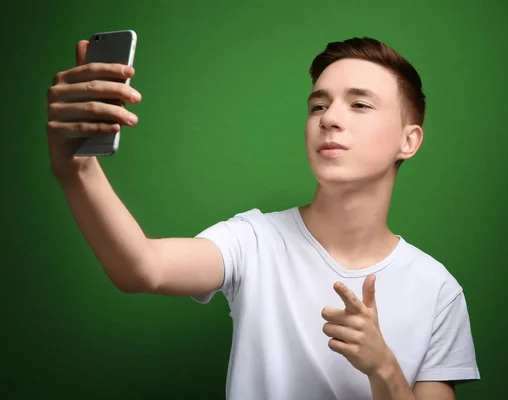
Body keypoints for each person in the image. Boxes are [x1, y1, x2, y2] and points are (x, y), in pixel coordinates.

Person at [46, 36, 480, 400]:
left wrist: (382, 367)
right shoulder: (254, 241)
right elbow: (141, 267)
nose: (330, 118)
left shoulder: (437, 290)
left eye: (360, 105)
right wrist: (76, 168)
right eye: (318, 106)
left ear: (409, 140)